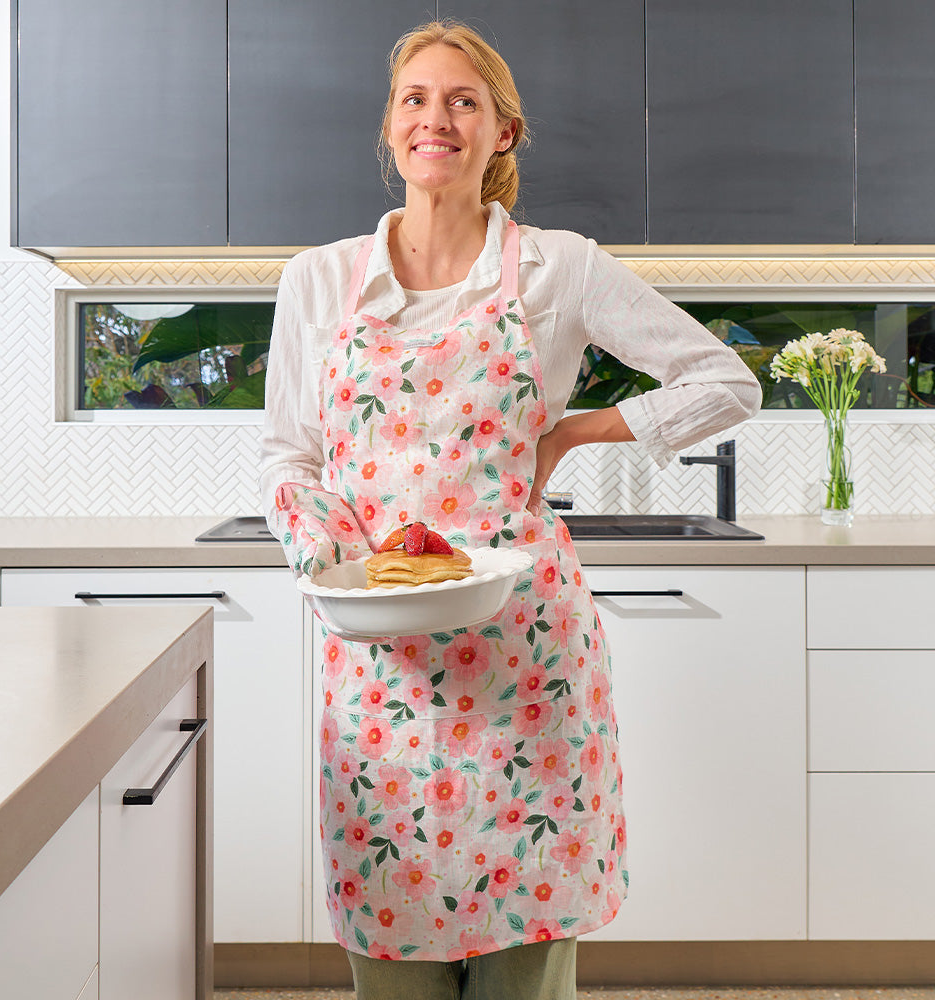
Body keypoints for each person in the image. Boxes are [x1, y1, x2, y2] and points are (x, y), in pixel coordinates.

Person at [259, 19, 760, 1000]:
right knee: (391, 951)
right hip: (378, 672)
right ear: (389, 127)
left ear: (502, 134)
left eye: (462, 101)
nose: (434, 117)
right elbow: (290, 458)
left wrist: (574, 432)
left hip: (522, 667)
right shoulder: (318, 280)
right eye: (414, 98)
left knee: (524, 968)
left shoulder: (555, 269)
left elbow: (722, 380)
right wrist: (334, 568)